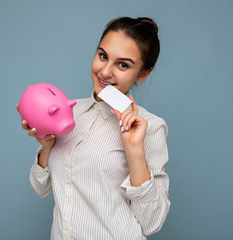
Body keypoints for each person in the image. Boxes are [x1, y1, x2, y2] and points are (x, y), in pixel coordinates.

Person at [16, 17, 170, 240]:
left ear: (143, 74)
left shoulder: (150, 127)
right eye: (103, 56)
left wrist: (134, 150)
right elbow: (41, 189)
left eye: (123, 64)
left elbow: (151, 223)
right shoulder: (70, 111)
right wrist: (47, 147)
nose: (105, 72)